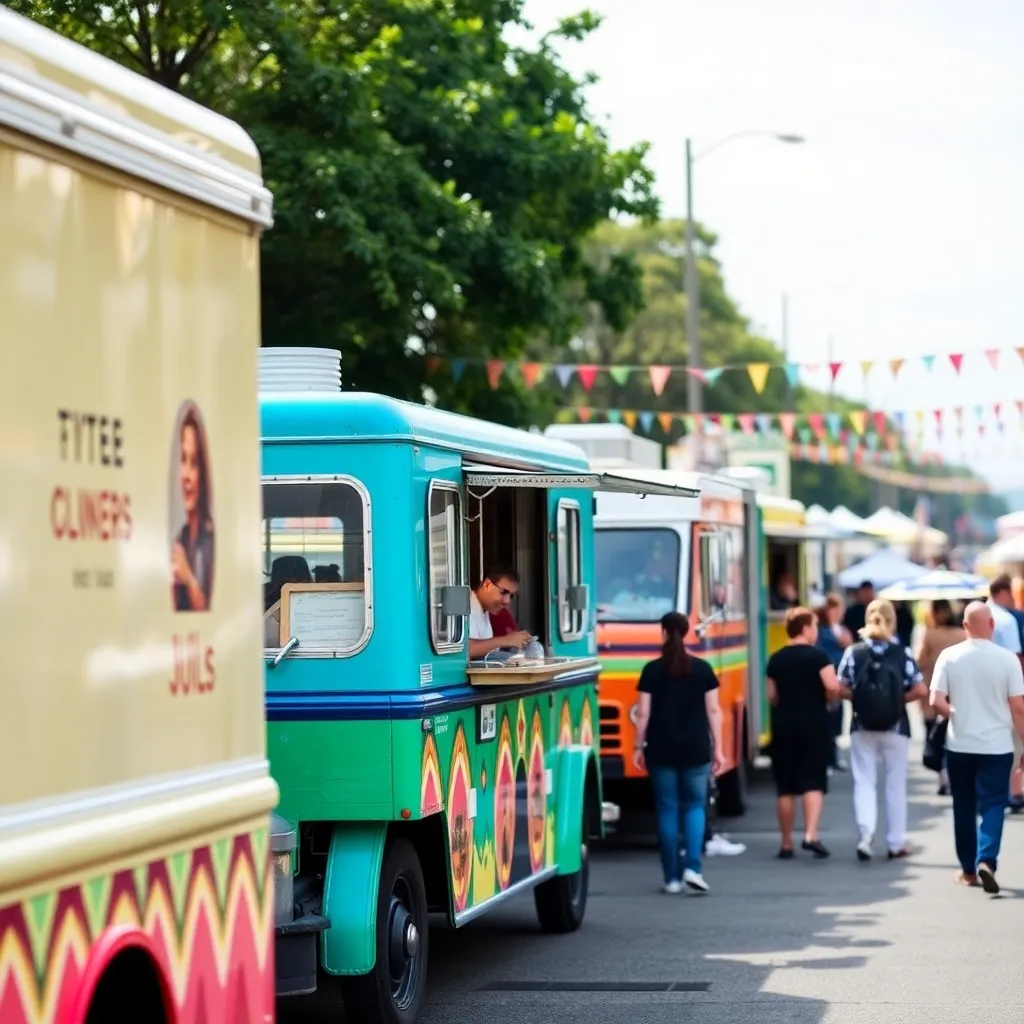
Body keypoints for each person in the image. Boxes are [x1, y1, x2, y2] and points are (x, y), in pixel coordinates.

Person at [930, 601, 1024, 893]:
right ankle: (987, 859)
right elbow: (1018, 707)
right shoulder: (1008, 659)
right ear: (992, 625)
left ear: (965, 626)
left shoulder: (949, 656)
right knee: (994, 804)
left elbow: (936, 701)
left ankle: (968, 871)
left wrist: (954, 714)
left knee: (963, 806)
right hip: (996, 746)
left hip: (960, 744)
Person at [633, 611, 724, 894]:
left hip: (661, 748)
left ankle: (671, 878)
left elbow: (643, 713)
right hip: (697, 747)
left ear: (663, 632)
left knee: (667, 809)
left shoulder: (651, 670)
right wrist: (719, 748)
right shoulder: (703, 669)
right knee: (695, 806)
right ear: (686, 632)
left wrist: (637, 746)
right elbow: (713, 710)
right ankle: (693, 868)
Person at [838, 598, 927, 862]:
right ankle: (895, 843)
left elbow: (840, 686)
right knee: (894, 785)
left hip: (862, 725)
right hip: (895, 726)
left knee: (864, 781)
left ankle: (866, 836)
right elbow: (920, 689)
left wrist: (860, 699)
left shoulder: (853, 652)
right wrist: (896, 701)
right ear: (893, 621)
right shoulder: (902, 653)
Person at [766, 607, 841, 859]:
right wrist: (828, 699)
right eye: (815, 626)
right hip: (813, 723)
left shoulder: (775, 659)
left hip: (783, 724)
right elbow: (832, 686)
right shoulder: (819, 656)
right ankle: (810, 835)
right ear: (806, 628)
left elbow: (772, 695)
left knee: (785, 786)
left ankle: (786, 843)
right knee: (813, 780)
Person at [914, 599, 965, 795]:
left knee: (934, 735)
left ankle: (942, 776)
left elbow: (919, 660)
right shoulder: (961, 635)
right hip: (956, 691)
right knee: (953, 736)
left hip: (932, 690)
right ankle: (952, 773)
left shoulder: (929, 635)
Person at [171, 406, 215, 611]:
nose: (187, 475)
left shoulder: (210, 539)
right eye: (183, 460)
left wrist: (187, 577)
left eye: (194, 463)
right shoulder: (181, 537)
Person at [987, 574, 1024, 811]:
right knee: (1013, 741)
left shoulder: (981, 614)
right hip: (1006, 688)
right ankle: (1014, 791)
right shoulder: (1007, 620)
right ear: (1003, 592)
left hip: (983, 689)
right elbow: (1015, 658)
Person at [815, 595, 852, 771]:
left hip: (840, 678)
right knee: (826, 718)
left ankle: (833, 756)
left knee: (837, 717)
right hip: (827, 677)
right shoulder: (821, 631)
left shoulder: (843, 629)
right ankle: (826, 758)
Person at [469, 564, 532, 658]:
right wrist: (506, 640)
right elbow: (464, 650)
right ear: (487, 585)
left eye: (511, 596)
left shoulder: (485, 610)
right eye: (503, 592)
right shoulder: (465, 607)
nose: (507, 601)